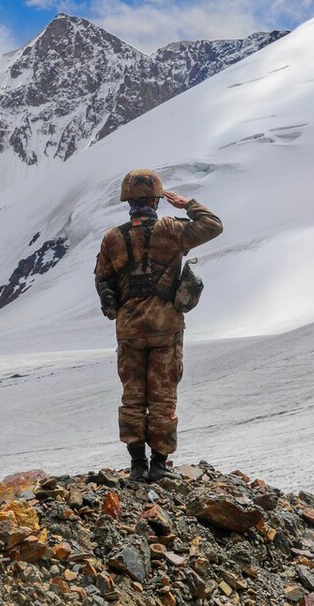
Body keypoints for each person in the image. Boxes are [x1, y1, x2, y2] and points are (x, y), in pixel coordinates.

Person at [94, 169, 223, 482]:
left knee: (133, 396)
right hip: (166, 327)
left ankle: (137, 466)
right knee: (163, 397)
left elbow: (102, 278)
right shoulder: (171, 229)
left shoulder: (113, 238)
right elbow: (213, 226)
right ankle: (159, 465)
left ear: (128, 199)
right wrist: (187, 205)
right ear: (156, 198)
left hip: (129, 329)